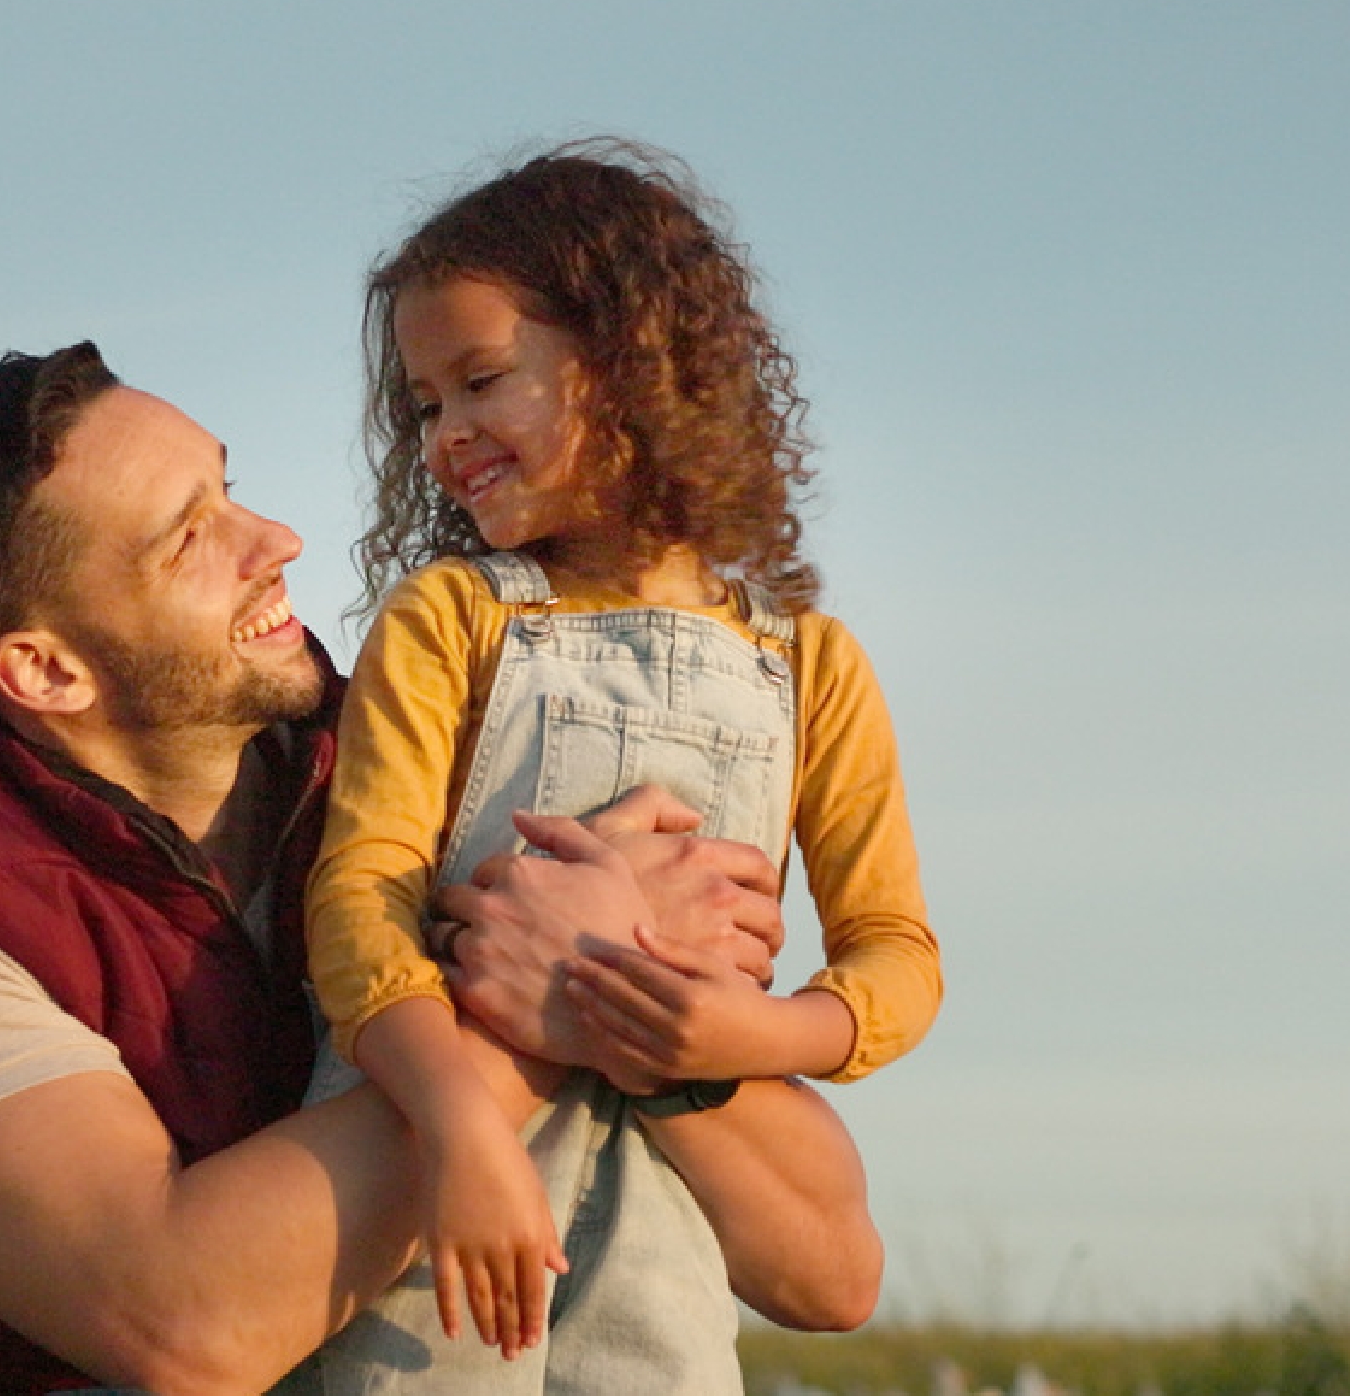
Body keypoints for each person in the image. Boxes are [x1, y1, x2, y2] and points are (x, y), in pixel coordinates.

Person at [0, 342, 882, 1396]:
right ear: (45, 670)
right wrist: (548, 1001)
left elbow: (829, 1274)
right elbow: (181, 1321)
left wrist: (625, 994)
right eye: (191, 536)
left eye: (228, 486)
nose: (273, 540)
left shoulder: (422, 768)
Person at [303, 141, 941, 1385]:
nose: (447, 436)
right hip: (435, 1207)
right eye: (425, 405)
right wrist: (455, 1122)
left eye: (482, 382)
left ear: (634, 363)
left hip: (670, 1230)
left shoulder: (812, 665)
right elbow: (358, 895)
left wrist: (738, 1037)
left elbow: (896, 958)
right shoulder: (450, 619)